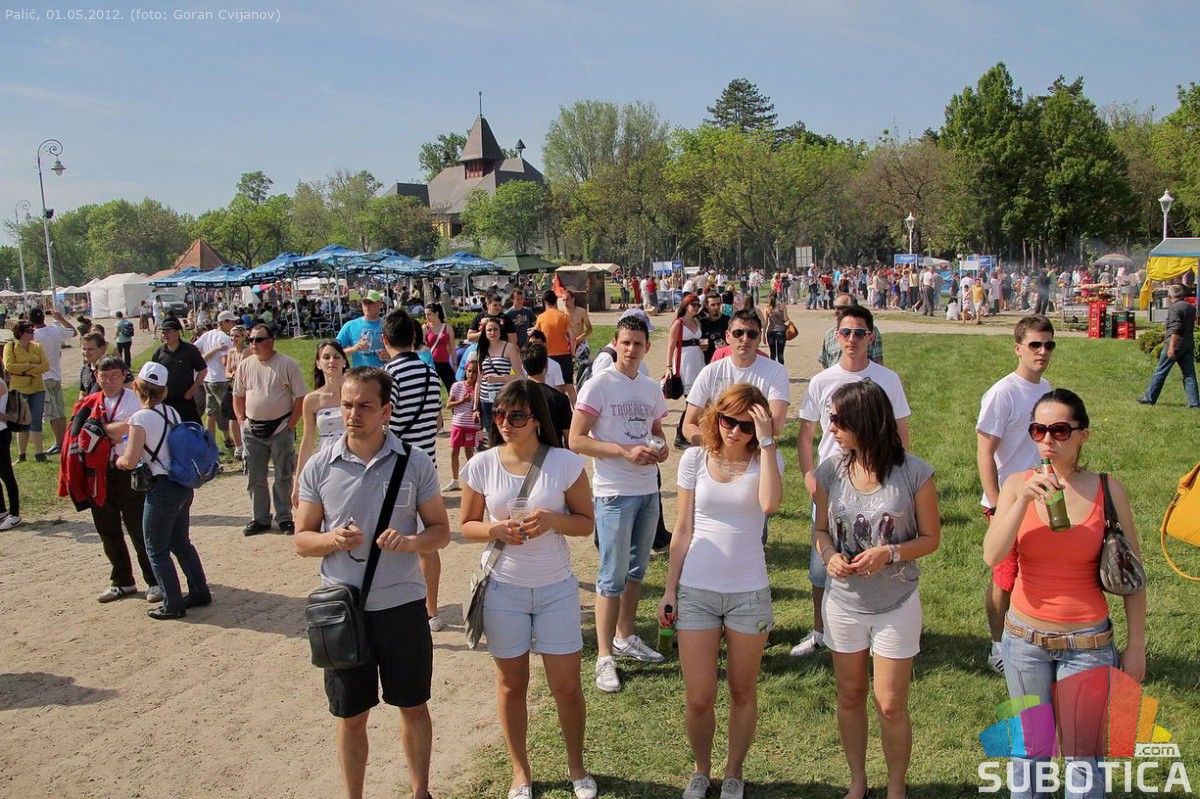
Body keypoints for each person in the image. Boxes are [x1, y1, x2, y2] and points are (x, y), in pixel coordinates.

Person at [294, 366, 450, 799]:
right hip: (344, 612)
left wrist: (411, 542)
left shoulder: (414, 461)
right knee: (351, 716)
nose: (353, 414)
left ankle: (420, 792)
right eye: (347, 405)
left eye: (364, 405)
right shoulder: (320, 466)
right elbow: (302, 540)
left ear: (386, 411)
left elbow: (441, 531)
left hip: (402, 607)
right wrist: (332, 539)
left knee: (413, 706)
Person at [985, 389, 1146, 799]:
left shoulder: (1108, 490)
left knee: (1083, 762)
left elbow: (1133, 578)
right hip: (1024, 641)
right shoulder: (1017, 485)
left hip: (1087, 645)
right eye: (1038, 430)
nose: (1047, 440)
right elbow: (993, 555)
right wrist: (1022, 499)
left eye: (1059, 430)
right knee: (1029, 755)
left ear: (1083, 435)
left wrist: (1136, 646)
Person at [460, 380, 598, 799]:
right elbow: (466, 526)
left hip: (556, 588)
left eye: (516, 415)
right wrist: (494, 529)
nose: (504, 423)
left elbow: (586, 524)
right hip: (503, 589)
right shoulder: (481, 464)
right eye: (499, 414)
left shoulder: (564, 463)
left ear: (536, 419)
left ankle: (577, 767)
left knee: (567, 687)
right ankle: (520, 772)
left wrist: (554, 520)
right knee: (511, 685)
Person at [813, 380, 940, 799]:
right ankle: (858, 780)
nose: (831, 428)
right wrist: (829, 554)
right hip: (843, 604)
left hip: (896, 604)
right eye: (830, 419)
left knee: (889, 703)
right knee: (850, 695)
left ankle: (896, 785)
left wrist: (891, 553)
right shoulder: (830, 471)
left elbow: (931, 539)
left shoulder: (915, 473)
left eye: (838, 420)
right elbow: (819, 530)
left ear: (865, 421)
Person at [659, 385, 783, 799]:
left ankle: (733, 772)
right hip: (697, 590)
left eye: (746, 426)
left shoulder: (766, 459)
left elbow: (770, 505)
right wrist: (670, 589)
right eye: (729, 421)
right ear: (716, 418)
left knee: (743, 691)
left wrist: (767, 442)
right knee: (699, 697)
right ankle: (701, 770)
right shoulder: (694, 459)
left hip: (749, 592)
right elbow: (682, 529)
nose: (735, 431)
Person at [794, 304, 911, 659]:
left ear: (870, 338)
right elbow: (805, 435)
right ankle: (820, 630)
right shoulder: (822, 381)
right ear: (836, 337)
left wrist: (898, 474)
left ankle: (879, 626)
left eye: (860, 333)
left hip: (876, 480)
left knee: (874, 555)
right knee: (823, 562)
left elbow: (901, 431)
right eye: (845, 332)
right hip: (832, 482)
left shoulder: (886, 379)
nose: (852, 339)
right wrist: (809, 476)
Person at [569, 315, 670, 693]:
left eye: (638, 343)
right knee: (611, 575)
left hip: (647, 490)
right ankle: (603, 656)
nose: (631, 349)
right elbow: (577, 439)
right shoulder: (598, 385)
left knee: (637, 570)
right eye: (625, 342)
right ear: (615, 343)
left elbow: (656, 431)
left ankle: (626, 636)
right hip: (613, 493)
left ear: (646, 347)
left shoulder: (650, 388)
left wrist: (660, 449)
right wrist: (623, 451)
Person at [976, 315, 1056, 674]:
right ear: (1018, 348)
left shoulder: (1046, 388)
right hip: (1008, 502)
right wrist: (996, 505)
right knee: (1005, 577)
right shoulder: (1003, 393)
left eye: (1048, 345)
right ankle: (997, 646)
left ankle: (1032, 638)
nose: (1042, 351)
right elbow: (984, 452)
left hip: (1042, 497)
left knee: (1036, 572)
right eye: (1035, 345)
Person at [114, 362, 211, 621]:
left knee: (155, 549)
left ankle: (173, 603)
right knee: (181, 543)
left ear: (138, 387)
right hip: (181, 483)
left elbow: (131, 459)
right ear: (163, 389)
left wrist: (119, 461)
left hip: (161, 487)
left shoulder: (140, 418)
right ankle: (199, 591)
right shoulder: (172, 412)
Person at [381, 308, 447, 633]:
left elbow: (384, 424)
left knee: (391, 543)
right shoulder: (431, 375)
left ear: (385, 340)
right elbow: (435, 420)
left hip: (394, 470)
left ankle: (396, 605)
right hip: (427, 465)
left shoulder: (386, 377)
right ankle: (431, 609)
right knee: (426, 543)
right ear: (414, 338)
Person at [86, 356, 162, 604]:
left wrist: (108, 430)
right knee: (107, 529)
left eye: (114, 376)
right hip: (100, 472)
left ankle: (155, 581)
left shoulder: (134, 399)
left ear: (124, 375)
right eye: (104, 376)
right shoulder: (91, 402)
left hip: (129, 470)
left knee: (139, 529)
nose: (109, 381)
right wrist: (116, 431)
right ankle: (122, 580)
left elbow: (135, 429)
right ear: (96, 376)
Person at [233, 324, 306, 536]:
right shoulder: (245, 365)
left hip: (280, 427)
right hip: (252, 428)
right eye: (251, 340)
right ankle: (260, 518)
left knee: (283, 474)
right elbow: (237, 396)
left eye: (258, 339)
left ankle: (284, 518)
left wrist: (290, 425)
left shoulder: (287, 364)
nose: (253, 344)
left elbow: (301, 397)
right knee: (254, 475)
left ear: (271, 341)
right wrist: (242, 421)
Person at [681, 309, 791, 447]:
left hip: (755, 449)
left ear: (759, 338)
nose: (745, 339)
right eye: (738, 333)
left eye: (752, 334)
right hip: (716, 447)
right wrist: (713, 447)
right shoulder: (710, 371)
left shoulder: (776, 371)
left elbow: (776, 427)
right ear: (728, 336)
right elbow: (688, 424)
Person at [292, 340, 349, 507]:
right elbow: (307, 441)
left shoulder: (355, 393)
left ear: (344, 361)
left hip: (353, 452)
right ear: (318, 363)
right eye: (326, 357)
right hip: (326, 456)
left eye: (336, 357)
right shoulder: (312, 399)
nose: (332, 361)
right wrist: (298, 481)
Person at [1138, 283, 1198, 408]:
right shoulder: (1190, 307)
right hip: (1188, 344)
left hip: (1175, 344)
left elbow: (1176, 328)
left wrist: (1171, 347)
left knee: (1161, 371)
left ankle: (1149, 398)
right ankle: (1194, 403)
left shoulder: (1174, 308)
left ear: (1170, 297)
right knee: (1189, 375)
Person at [30, 307, 77, 455]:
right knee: (60, 410)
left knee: (51, 413)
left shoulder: (33, 335)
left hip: (43, 376)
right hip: (56, 374)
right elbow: (73, 332)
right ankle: (63, 441)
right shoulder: (55, 330)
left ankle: (59, 442)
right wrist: (60, 318)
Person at [5, 321, 49, 463]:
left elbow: (46, 365)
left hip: (37, 387)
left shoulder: (37, 346)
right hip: (19, 388)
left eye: (32, 330)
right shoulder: (10, 346)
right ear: (21, 333)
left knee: (36, 421)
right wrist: (30, 365)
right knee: (21, 422)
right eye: (29, 331)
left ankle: (39, 454)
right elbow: (9, 366)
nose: (33, 333)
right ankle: (21, 455)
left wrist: (26, 370)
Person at [475, 316, 525, 441]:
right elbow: (478, 380)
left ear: (500, 330)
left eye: (495, 329)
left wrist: (499, 378)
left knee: (504, 432)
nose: (492, 332)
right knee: (490, 434)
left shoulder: (509, 347)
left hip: (503, 398)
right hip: (485, 399)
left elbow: (520, 376)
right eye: (489, 330)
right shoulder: (481, 349)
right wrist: (475, 406)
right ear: (484, 332)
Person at [150, 319, 207, 425]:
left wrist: (192, 389)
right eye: (163, 332)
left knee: (193, 429)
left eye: (168, 332)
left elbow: (203, 370)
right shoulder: (159, 352)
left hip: (185, 398)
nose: (164, 335)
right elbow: (152, 375)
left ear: (177, 333)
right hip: (165, 400)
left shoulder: (190, 350)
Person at [666, 294, 705, 449]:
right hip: (685, 362)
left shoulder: (697, 322)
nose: (696, 308)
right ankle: (680, 435)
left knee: (699, 398)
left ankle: (687, 432)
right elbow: (670, 346)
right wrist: (668, 366)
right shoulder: (679, 323)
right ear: (686, 305)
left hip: (698, 359)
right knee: (691, 401)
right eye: (693, 305)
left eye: (698, 305)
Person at [195, 311, 238, 450]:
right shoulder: (225, 338)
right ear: (224, 322)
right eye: (232, 322)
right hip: (221, 379)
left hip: (208, 379)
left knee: (211, 413)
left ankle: (211, 443)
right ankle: (233, 441)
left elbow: (195, 349)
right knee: (229, 412)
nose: (233, 325)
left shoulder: (207, 335)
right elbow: (225, 361)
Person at [521, 341, 573, 446]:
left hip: (524, 452)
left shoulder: (515, 396)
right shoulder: (560, 399)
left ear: (524, 366)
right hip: (553, 452)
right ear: (546, 365)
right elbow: (569, 439)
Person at [817, 295, 884, 368]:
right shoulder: (830, 334)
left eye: (840, 308)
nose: (836, 311)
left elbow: (878, 361)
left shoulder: (869, 331)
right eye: (835, 307)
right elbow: (825, 363)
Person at [443, 358, 480, 492]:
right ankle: (454, 480)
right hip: (457, 424)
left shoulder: (479, 388)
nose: (471, 374)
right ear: (465, 371)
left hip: (471, 425)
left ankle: (472, 480)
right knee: (454, 452)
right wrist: (463, 401)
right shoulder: (457, 386)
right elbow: (448, 405)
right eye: (469, 371)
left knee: (469, 452)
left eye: (475, 372)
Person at [534, 290, 575, 402]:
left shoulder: (541, 317)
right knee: (569, 385)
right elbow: (572, 336)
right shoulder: (564, 316)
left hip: (548, 356)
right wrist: (572, 352)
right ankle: (576, 408)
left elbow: (537, 337)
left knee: (550, 385)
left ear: (545, 302)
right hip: (564, 355)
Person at [336, 290, 389, 369]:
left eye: (370, 303)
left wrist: (389, 356)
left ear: (379, 304)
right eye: (365, 303)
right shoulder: (350, 326)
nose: (367, 306)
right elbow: (334, 353)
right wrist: (354, 348)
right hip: (360, 375)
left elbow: (402, 352)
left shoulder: (388, 325)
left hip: (384, 374)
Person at [0, 364, 20, 529]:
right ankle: (2, 511)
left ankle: (15, 514)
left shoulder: (0, 383)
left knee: (6, 474)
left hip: (1, 432)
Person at [225, 326, 248, 460]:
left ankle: (247, 445)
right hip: (232, 387)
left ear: (243, 337)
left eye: (236, 336)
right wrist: (232, 374)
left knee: (243, 417)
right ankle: (238, 446)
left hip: (244, 389)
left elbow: (242, 370)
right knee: (232, 417)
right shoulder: (231, 352)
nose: (233, 338)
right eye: (231, 335)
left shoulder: (246, 351)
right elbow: (227, 372)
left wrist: (233, 374)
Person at [423, 303, 457, 391]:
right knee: (431, 389)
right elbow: (421, 348)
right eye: (425, 314)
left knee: (453, 387)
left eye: (429, 314)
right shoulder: (425, 328)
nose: (427, 317)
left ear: (436, 313)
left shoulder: (447, 328)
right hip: (431, 363)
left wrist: (454, 364)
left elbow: (453, 348)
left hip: (444, 363)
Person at [697, 293, 730, 367]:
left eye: (718, 304)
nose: (716, 307)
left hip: (723, 361)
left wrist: (726, 345)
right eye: (713, 305)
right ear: (706, 305)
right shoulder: (702, 321)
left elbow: (733, 341)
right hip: (706, 362)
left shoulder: (727, 320)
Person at [764, 290, 790, 365]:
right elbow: (785, 319)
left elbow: (765, 323)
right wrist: (785, 319)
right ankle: (781, 370)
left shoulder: (767, 308)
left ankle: (771, 369)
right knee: (780, 354)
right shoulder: (782, 306)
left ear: (769, 298)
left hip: (770, 331)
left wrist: (763, 335)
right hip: (781, 331)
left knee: (772, 353)